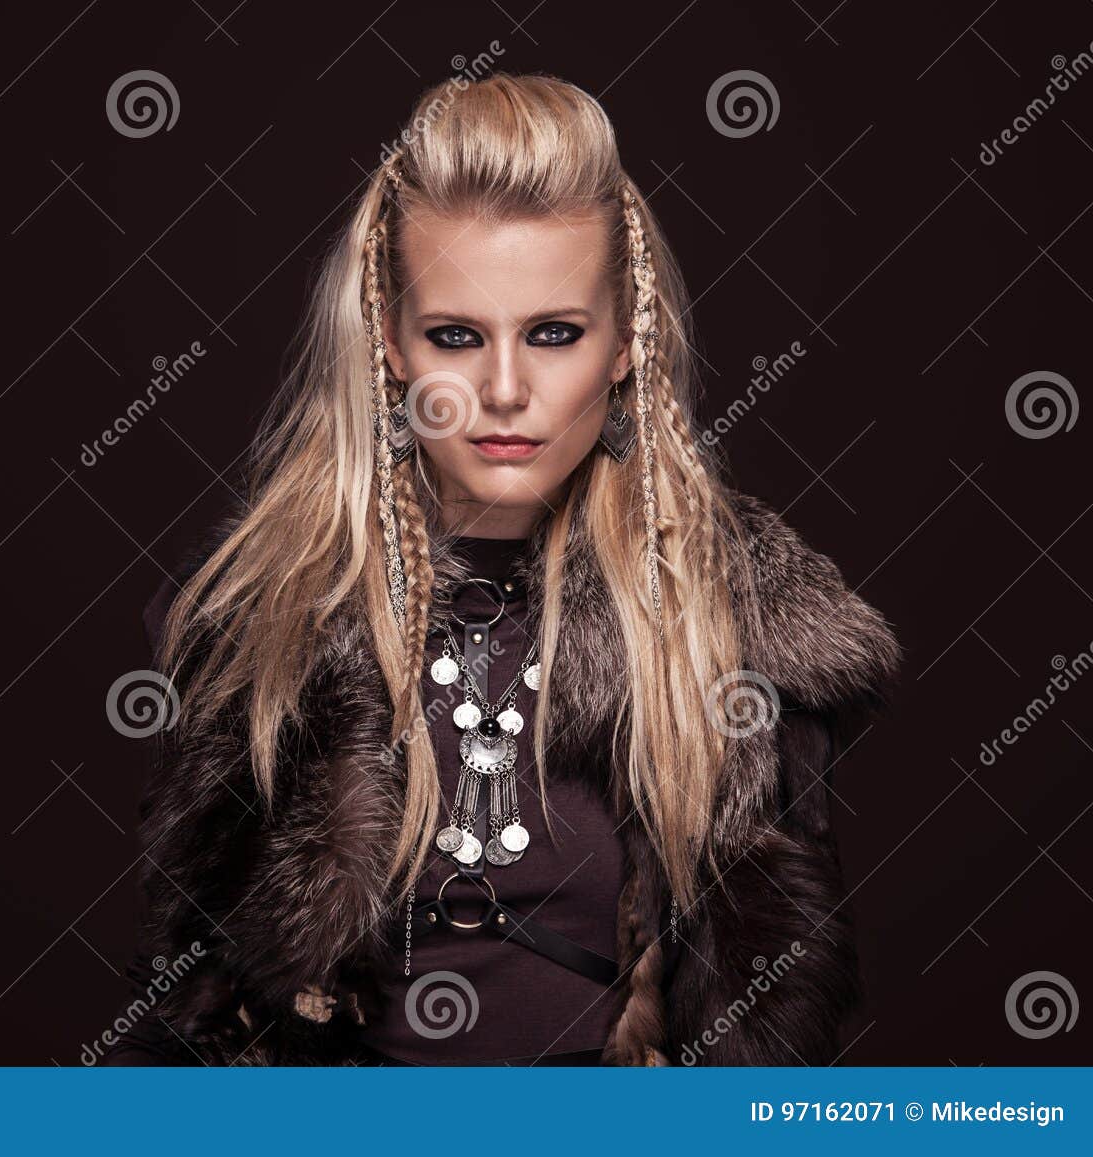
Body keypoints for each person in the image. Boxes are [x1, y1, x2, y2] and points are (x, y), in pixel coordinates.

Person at [97, 72, 899, 1066]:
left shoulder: (739, 628)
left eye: (554, 333)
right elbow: (185, 1015)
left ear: (622, 348)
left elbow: (769, 1015)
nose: (505, 390)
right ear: (390, 340)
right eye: (456, 336)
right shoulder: (257, 633)